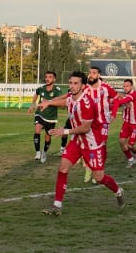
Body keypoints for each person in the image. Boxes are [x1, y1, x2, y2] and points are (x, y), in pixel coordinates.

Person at [41, 72, 124, 216]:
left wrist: (65, 132)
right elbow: (65, 101)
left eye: (75, 83)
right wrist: (49, 102)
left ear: (83, 86)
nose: (72, 86)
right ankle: (57, 205)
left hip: (92, 144)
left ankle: (118, 191)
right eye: (70, 83)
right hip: (77, 141)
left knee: (99, 178)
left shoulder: (87, 103)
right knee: (63, 168)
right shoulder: (72, 97)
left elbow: (85, 128)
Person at [112, 78, 136, 167]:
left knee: (130, 145)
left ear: (131, 86)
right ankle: (130, 159)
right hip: (127, 123)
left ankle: (135, 152)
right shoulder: (126, 95)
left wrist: (115, 101)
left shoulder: (133, 95)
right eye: (124, 86)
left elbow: (124, 101)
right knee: (121, 141)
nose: (125, 88)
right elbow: (124, 101)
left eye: (127, 86)